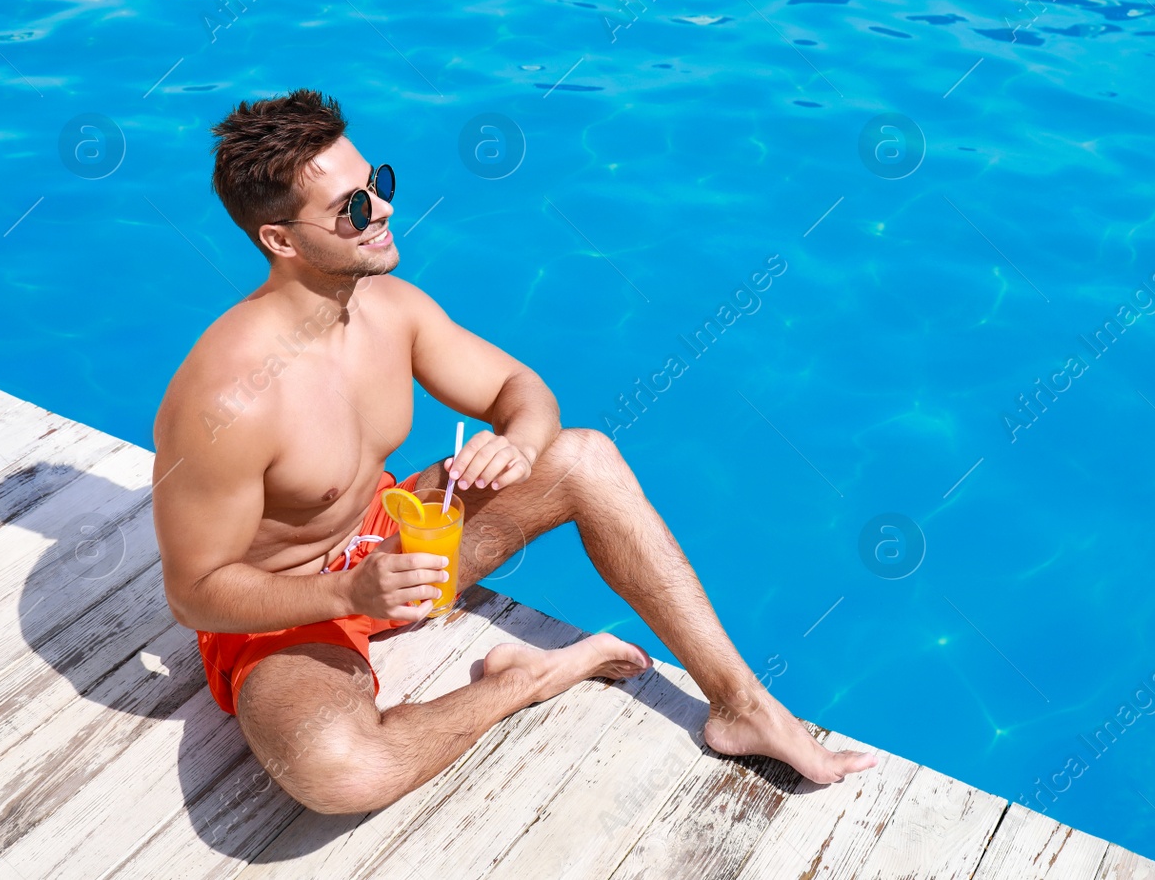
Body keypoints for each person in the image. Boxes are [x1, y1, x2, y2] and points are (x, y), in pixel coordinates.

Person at [150, 89, 873, 814]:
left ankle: (742, 704)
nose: (386, 210)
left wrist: (520, 443)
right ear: (280, 240)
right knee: (343, 772)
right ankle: (521, 680)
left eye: (381, 184)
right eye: (356, 208)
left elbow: (519, 387)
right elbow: (195, 591)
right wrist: (345, 592)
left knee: (584, 456)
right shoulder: (228, 400)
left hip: (399, 546)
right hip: (288, 608)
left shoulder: (391, 309)